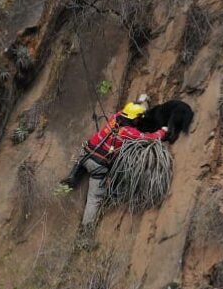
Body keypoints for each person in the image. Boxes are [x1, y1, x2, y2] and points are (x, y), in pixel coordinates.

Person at [63, 96, 168, 227]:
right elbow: (150, 137)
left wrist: (140, 101)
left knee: (83, 159)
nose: (140, 119)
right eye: (139, 117)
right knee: (94, 199)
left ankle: (73, 178)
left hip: (86, 153)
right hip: (98, 166)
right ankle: (86, 229)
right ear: (134, 119)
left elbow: (129, 110)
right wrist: (163, 130)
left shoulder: (115, 117)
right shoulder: (129, 132)